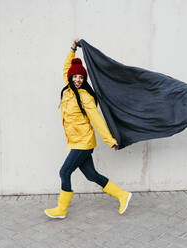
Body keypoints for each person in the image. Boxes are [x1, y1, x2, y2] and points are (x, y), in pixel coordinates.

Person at [44, 39, 132, 219]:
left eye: (81, 77)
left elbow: (97, 120)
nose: (77, 80)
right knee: (92, 175)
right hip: (76, 141)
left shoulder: (85, 97)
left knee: (64, 171)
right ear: (70, 77)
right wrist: (72, 49)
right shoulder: (68, 90)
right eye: (75, 77)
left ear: (84, 79)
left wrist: (110, 141)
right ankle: (123, 195)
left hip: (83, 142)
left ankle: (61, 209)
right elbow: (66, 67)